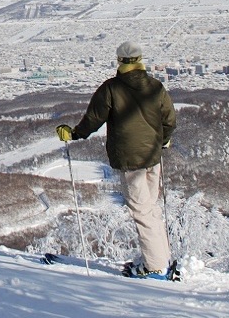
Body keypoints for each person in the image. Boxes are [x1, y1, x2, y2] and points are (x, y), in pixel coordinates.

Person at [55, 41, 177, 280]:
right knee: (150, 209)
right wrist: (163, 140)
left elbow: (93, 119)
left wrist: (74, 134)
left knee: (141, 212)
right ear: (140, 60)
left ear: (119, 61)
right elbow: (169, 120)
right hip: (152, 156)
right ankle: (160, 259)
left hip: (130, 160)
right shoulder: (155, 87)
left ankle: (155, 268)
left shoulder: (111, 88)